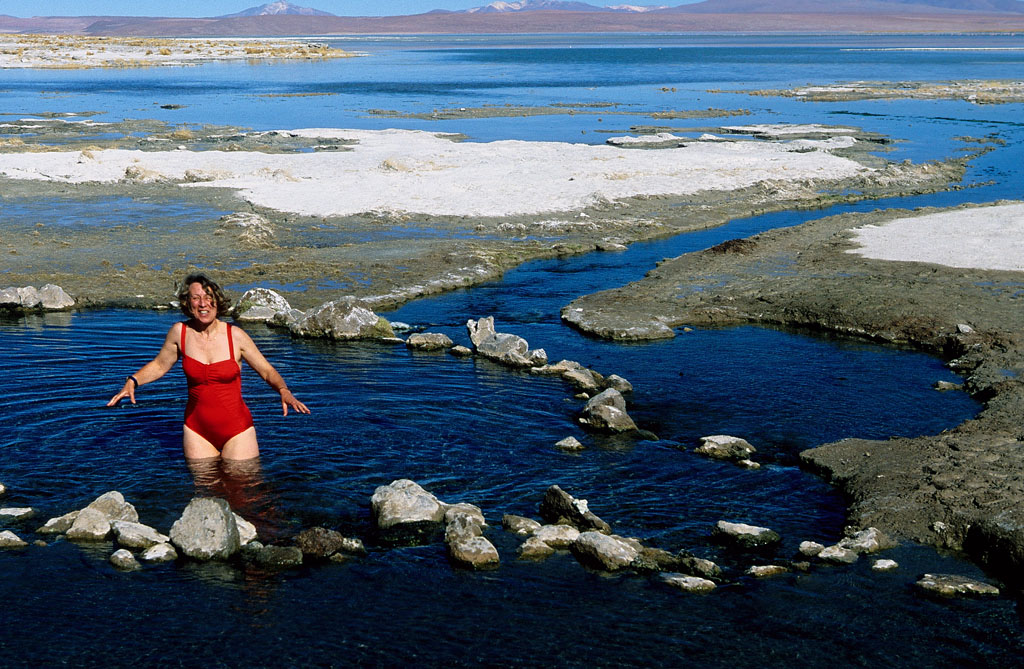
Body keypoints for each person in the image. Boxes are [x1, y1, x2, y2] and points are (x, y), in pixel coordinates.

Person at [107, 273, 310, 460]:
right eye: (196, 298)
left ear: (217, 300)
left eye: (208, 297)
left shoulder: (235, 336)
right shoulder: (180, 333)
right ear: (188, 303)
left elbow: (266, 370)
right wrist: (133, 380)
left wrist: (283, 390)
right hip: (196, 431)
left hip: (237, 430)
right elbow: (160, 365)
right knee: (204, 492)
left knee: (244, 492)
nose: (203, 304)